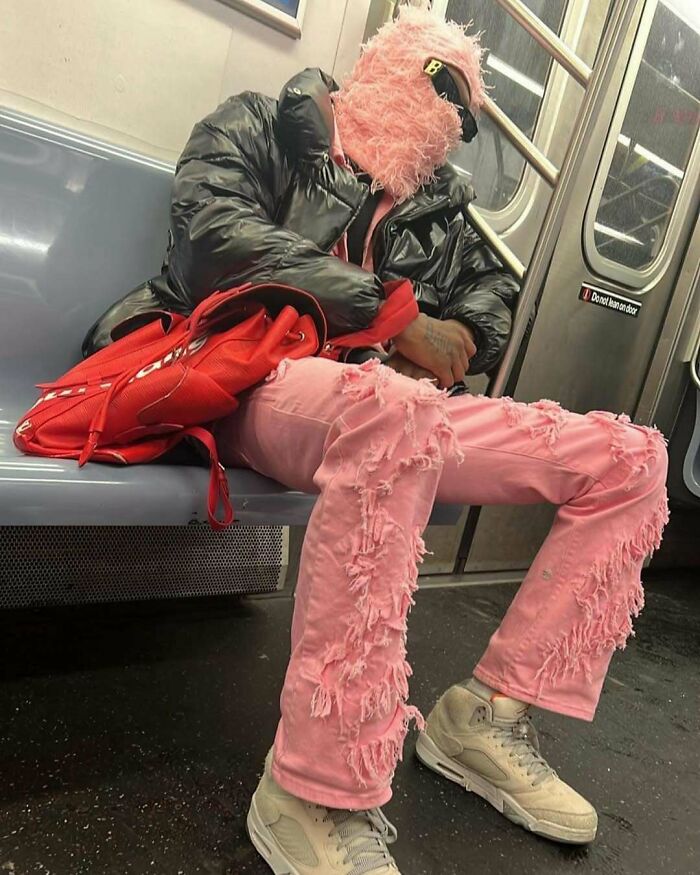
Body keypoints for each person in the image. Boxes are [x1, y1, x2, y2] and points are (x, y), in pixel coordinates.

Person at [84, 8, 670, 874]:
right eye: (444, 88)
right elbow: (215, 244)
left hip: (378, 398)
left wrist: (454, 335)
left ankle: (490, 714)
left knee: (629, 457)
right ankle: (313, 785)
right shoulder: (262, 124)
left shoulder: (437, 204)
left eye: (469, 115)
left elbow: (487, 294)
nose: (455, 123)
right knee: (391, 413)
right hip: (243, 372)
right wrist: (399, 320)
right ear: (391, 67)